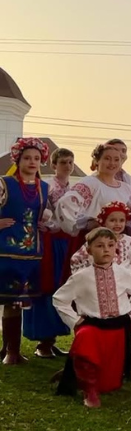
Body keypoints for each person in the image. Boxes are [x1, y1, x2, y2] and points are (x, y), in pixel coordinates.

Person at [52, 227, 131, 408]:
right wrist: (75, 320)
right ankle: (90, 389)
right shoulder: (81, 277)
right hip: (92, 326)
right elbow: (59, 299)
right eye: (100, 246)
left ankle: (85, 378)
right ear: (89, 251)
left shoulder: (124, 273)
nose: (106, 249)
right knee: (86, 346)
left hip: (118, 327)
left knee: (110, 383)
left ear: (115, 249)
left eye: (110, 245)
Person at [0, 137, 51, 364]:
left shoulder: (45, 188)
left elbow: (51, 217)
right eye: (28, 157)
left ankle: (12, 351)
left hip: (31, 254)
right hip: (5, 251)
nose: (32, 162)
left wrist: (44, 224)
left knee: (18, 301)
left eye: (37, 158)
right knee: (8, 300)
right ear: (18, 159)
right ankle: (10, 352)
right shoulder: (4, 183)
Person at [27, 147, 74, 358]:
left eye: (71, 162)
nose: (68, 166)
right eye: (63, 162)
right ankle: (42, 342)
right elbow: (42, 213)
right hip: (51, 241)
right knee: (48, 286)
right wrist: (50, 224)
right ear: (54, 165)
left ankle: (52, 339)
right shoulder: (47, 187)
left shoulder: (74, 188)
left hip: (67, 242)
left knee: (63, 287)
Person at [56, 143, 131, 255]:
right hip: (93, 243)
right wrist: (87, 223)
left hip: (116, 244)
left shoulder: (126, 189)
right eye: (107, 159)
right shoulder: (90, 183)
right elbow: (66, 204)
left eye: (116, 159)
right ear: (97, 161)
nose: (112, 163)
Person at [70, 202, 131, 275]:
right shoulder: (96, 239)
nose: (117, 224)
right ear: (104, 222)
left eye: (121, 220)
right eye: (112, 220)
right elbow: (76, 259)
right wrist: (88, 273)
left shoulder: (128, 240)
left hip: (124, 280)